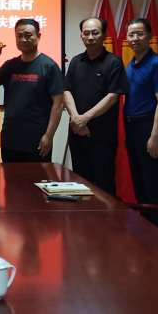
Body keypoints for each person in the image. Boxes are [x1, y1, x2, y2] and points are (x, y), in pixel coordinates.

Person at [63, 17, 129, 195]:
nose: (90, 37)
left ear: (105, 35)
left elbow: (113, 96)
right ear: (81, 36)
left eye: (95, 32)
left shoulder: (114, 62)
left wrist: (85, 119)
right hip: (77, 134)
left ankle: (108, 215)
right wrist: (76, 119)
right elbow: (66, 91)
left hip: (102, 136)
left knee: (104, 186)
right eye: (86, 33)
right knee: (80, 185)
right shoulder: (76, 62)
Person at [123, 18, 158, 228]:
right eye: (131, 34)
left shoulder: (157, 63)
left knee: (155, 184)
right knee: (140, 183)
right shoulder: (131, 64)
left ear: (150, 36)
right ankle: (147, 229)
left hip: (148, 127)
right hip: (132, 126)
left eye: (140, 33)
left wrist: (154, 136)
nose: (135, 38)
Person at [0, 18, 64, 163]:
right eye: (19, 36)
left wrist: (49, 136)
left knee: (37, 178)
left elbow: (58, 104)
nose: (23, 39)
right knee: (11, 177)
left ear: (38, 36)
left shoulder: (49, 66)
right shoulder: (10, 65)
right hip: (10, 140)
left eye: (28, 35)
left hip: (37, 140)